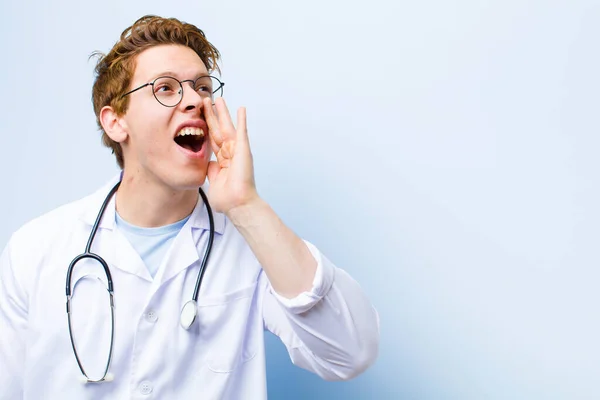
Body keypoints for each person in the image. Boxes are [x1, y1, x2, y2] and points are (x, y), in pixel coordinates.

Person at [0, 15, 380, 399]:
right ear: (116, 122)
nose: (196, 100)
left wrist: (246, 205)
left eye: (202, 87)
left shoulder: (252, 244)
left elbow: (350, 353)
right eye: (165, 87)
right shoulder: (35, 249)